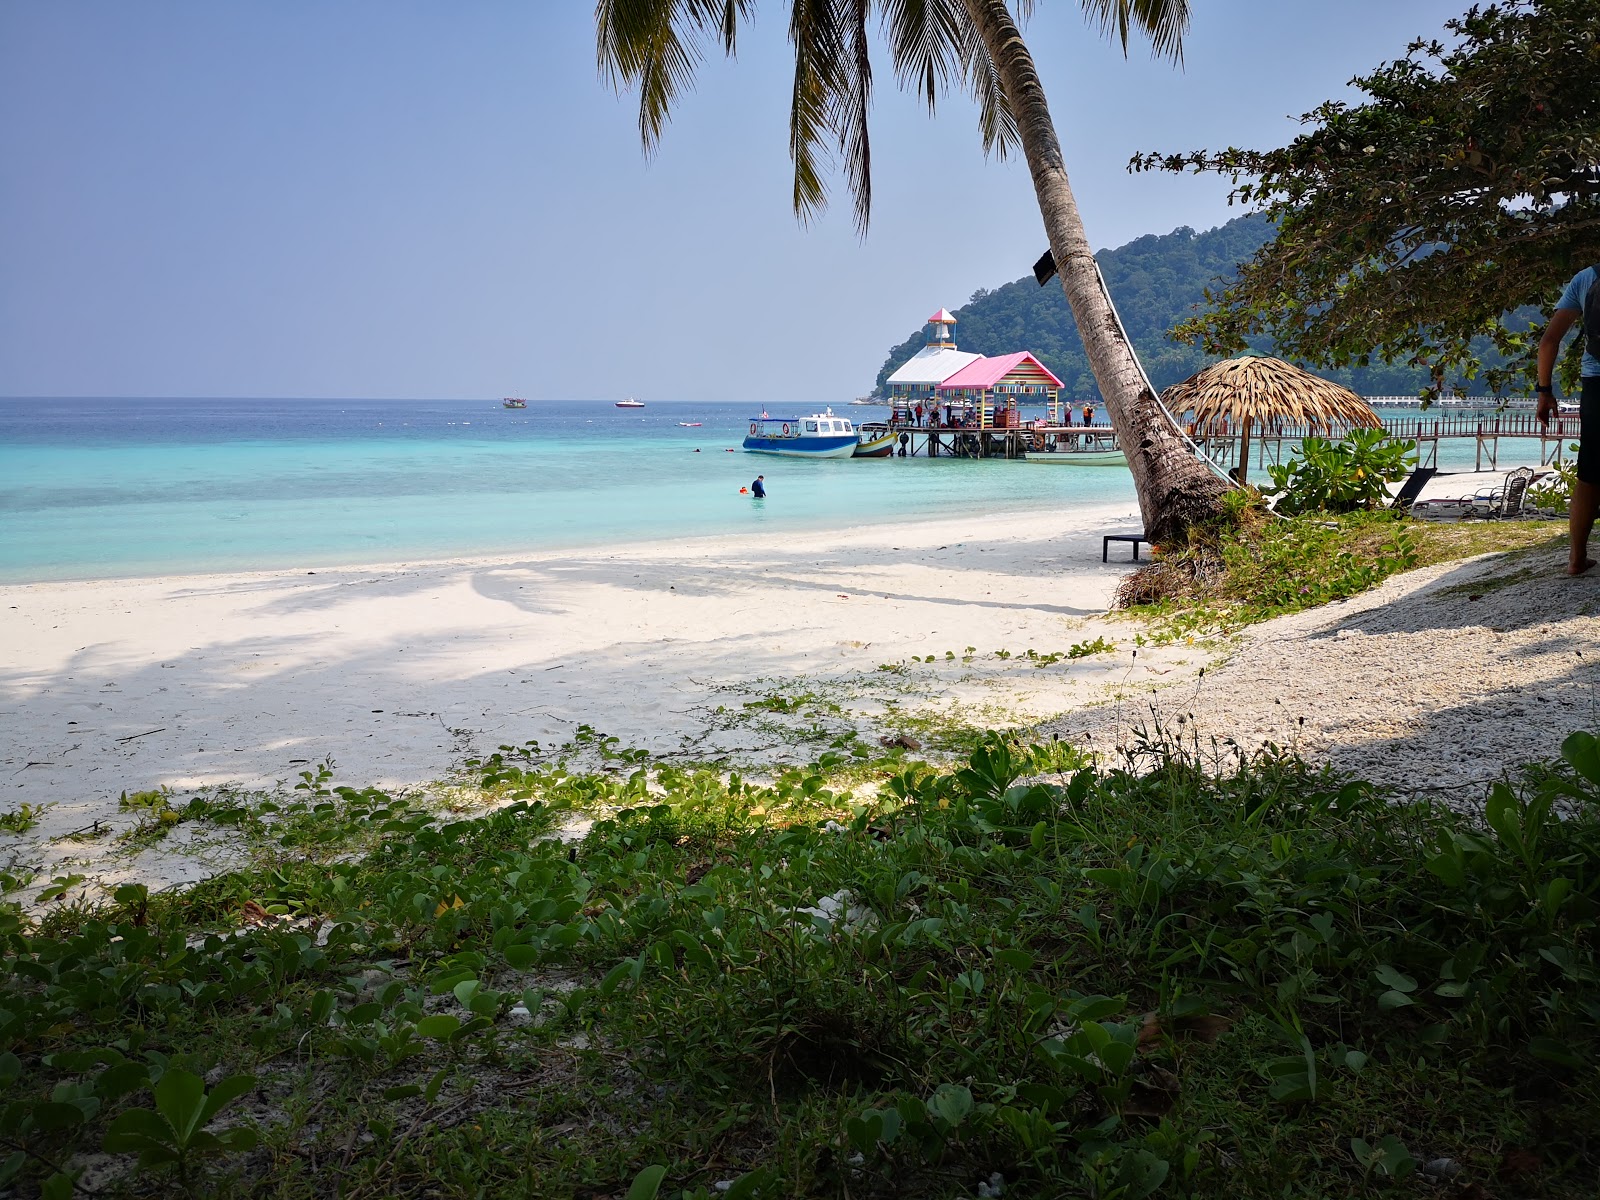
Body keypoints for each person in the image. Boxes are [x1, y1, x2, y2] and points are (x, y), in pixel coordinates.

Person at [1537, 266, 1599, 575]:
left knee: (1589, 477)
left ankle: (1576, 559)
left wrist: (1545, 391)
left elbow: (1549, 341)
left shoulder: (1585, 278)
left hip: (1596, 385)